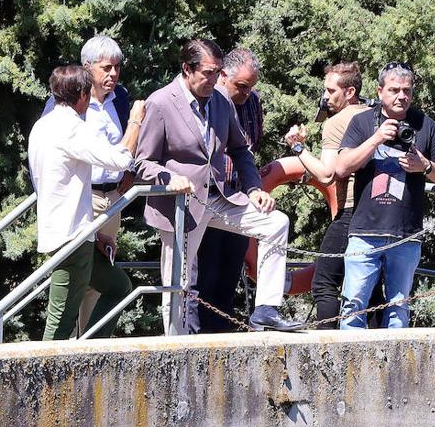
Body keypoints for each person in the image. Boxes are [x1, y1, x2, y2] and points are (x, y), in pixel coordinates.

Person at [134, 38, 303, 334]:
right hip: (181, 206)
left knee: (276, 222)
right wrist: (169, 178)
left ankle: (265, 310)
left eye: (217, 72)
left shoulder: (221, 101)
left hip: (221, 198)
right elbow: (142, 163)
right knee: (181, 282)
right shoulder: (160, 102)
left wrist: (254, 189)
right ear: (187, 69)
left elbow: (240, 150)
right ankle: (175, 344)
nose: (214, 80)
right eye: (208, 73)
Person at [29, 66, 165, 340]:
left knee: (118, 286)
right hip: (70, 238)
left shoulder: (44, 125)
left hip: (77, 233)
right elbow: (120, 160)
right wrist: (135, 121)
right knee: (60, 324)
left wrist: (95, 233)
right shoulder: (71, 128)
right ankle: (52, 377)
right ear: (81, 95)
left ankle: (91, 350)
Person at [333, 62, 435, 329]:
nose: (402, 96)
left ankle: (395, 370)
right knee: (353, 304)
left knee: (399, 307)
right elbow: (341, 167)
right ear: (379, 91)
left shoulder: (424, 125)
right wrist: (376, 138)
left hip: (406, 234)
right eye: (394, 90)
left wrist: (426, 166)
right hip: (365, 231)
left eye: (407, 91)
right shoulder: (362, 121)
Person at [42, 35, 144, 334]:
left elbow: (128, 149)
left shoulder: (121, 97)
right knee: (80, 281)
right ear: (87, 68)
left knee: (99, 283)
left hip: (113, 196)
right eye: (106, 68)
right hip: (81, 199)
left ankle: (90, 346)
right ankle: (72, 346)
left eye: (117, 67)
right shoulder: (62, 107)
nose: (113, 74)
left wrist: (132, 170)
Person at [283, 61, 382, 328]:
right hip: (380, 212)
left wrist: (299, 149)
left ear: (349, 92)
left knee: (324, 283)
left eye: (331, 91)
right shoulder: (375, 115)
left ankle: (328, 348)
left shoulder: (337, 122)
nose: (325, 96)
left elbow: (327, 174)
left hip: (351, 210)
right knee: (371, 291)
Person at [195, 48, 266, 333]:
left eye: (251, 87)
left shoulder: (252, 103)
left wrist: (253, 188)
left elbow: (248, 148)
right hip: (208, 201)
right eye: (242, 86)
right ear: (223, 75)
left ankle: (224, 344)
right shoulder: (208, 100)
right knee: (205, 280)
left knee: (228, 279)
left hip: (238, 198)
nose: (247, 92)